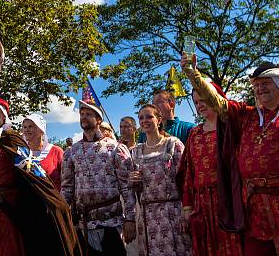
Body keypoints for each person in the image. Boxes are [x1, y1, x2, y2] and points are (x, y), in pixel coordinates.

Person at [182, 55, 279, 255]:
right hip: (254, 211)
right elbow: (218, 103)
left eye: (266, 83)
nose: (260, 89)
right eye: (256, 85)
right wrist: (193, 74)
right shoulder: (248, 116)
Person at [0, 95, 80, 256]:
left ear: (3, 114)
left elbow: (33, 173)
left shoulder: (10, 139)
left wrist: (56, 204)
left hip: (1, 218)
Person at [61, 102, 133, 256]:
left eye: (88, 114)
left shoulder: (115, 148)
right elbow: (67, 189)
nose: (84, 117)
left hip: (112, 223)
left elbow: (127, 187)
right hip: (83, 224)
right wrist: (62, 219)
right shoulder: (71, 152)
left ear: (99, 120)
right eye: (82, 114)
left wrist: (131, 219)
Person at [178, 84, 242, 256]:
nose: (200, 105)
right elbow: (188, 172)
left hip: (229, 201)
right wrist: (187, 206)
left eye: (204, 99)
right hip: (202, 205)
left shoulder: (232, 127)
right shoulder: (194, 133)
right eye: (196, 102)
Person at [128, 105, 190, 256]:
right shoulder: (135, 151)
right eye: (141, 118)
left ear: (159, 120)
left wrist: (185, 212)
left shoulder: (173, 144)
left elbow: (186, 179)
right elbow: (133, 189)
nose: (144, 120)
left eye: (149, 116)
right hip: (147, 215)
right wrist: (134, 181)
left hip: (172, 212)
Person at [22, 114, 65, 191]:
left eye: (31, 126)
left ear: (41, 129)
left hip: (52, 200)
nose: (27, 130)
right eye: (24, 127)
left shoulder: (56, 151)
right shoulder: (22, 153)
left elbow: (66, 180)